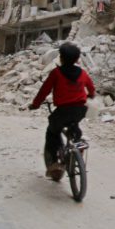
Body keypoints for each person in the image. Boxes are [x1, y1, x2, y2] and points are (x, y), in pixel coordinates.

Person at [29, 42, 95, 181]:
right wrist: (89, 96)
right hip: (79, 110)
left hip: (62, 110)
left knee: (52, 131)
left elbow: (44, 91)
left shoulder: (56, 73)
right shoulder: (82, 73)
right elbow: (91, 89)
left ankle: (54, 162)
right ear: (77, 59)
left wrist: (35, 104)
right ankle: (78, 145)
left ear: (61, 58)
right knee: (74, 126)